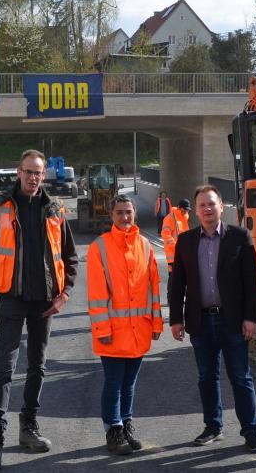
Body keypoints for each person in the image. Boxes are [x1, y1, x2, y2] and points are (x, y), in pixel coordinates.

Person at [0, 149, 79, 470]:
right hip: (11, 297)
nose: (34, 178)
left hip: (44, 301)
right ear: (18, 173)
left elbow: (71, 256)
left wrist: (64, 296)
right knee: (4, 368)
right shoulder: (1, 207)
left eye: (39, 173)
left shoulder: (55, 208)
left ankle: (29, 429)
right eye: (29, 172)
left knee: (38, 366)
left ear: (44, 175)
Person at [169, 185, 256, 453]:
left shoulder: (240, 237)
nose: (207, 209)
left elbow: (251, 283)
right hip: (201, 322)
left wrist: (251, 318)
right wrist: (176, 319)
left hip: (232, 320)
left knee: (241, 377)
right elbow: (177, 284)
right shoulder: (186, 241)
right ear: (196, 211)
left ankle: (251, 432)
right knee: (206, 377)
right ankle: (213, 427)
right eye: (202, 205)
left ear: (222, 206)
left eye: (212, 204)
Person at [86, 195, 163, 455]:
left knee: (129, 384)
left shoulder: (145, 245)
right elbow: (97, 293)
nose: (125, 217)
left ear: (134, 214)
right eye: (119, 212)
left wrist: (156, 322)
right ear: (111, 215)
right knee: (114, 383)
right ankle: (113, 429)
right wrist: (103, 329)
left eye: (128, 212)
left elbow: (153, 287)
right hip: (113, 332)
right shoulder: (100, 247)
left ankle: (127, 423)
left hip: (138, 329)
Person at [161, 198, 192, 280]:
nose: (186, 212)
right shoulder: (170, 218)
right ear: (179, 207)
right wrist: (177, 247)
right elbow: (165, 234)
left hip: (183, 254)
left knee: (182, 279)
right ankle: (171, 293)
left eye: (187, 210)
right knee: (173, 278)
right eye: (184, 209)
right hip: (173, 254)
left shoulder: (184, 218)